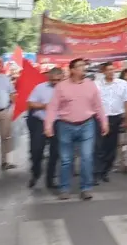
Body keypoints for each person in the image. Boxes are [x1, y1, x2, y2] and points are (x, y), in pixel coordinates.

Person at [45, 58, 109, 201]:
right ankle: (64, 188)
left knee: (87, 157)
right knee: (66, 159)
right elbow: (53, 107)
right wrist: (48, 125)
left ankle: (86, 188)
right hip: (65, 125)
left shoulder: (91, 85)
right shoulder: (61, 86)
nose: (83, 68)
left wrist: (104, 122)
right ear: (72, 70)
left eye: (84, 66)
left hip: (87, 124)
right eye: (80, 66)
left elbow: (98, 106)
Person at [26, 68, 63, 189]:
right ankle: (36, 173)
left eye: (58, 80)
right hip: (40, 122)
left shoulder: (66, 88)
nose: (55, 82)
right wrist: (44, 106)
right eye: (53, 80)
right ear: (49, 77)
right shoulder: (40, 87)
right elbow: (30, 103)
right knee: (36, 150)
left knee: (55, 152)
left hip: (58, 123)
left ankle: (50, 178)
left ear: (62, 77)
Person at [94, 63, 127, 184]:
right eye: (108, 70)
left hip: (116, 118)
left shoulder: (122, 84)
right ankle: (96, 172)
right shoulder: (97, 84)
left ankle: (105, 171)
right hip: (100, 118)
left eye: (112, 70)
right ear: (103, 72)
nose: (111, 72)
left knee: (111, 147)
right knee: (99, 146)